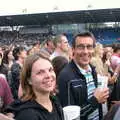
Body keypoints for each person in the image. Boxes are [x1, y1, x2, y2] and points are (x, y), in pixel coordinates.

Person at [57, 31, 109, 120]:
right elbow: (70, 117)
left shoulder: (92, 70)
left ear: (93, 49)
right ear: (73, 49)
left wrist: (101, 97)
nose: (85, 52)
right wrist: (95, 100)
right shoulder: (65, 77)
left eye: (89, 47)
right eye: (80, 47)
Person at [6, 52, 64, 120]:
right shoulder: (28, 115)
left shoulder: (54, 101)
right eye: (40, 72)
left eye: (50, 70)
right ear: (29, 80)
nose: (48, 75)